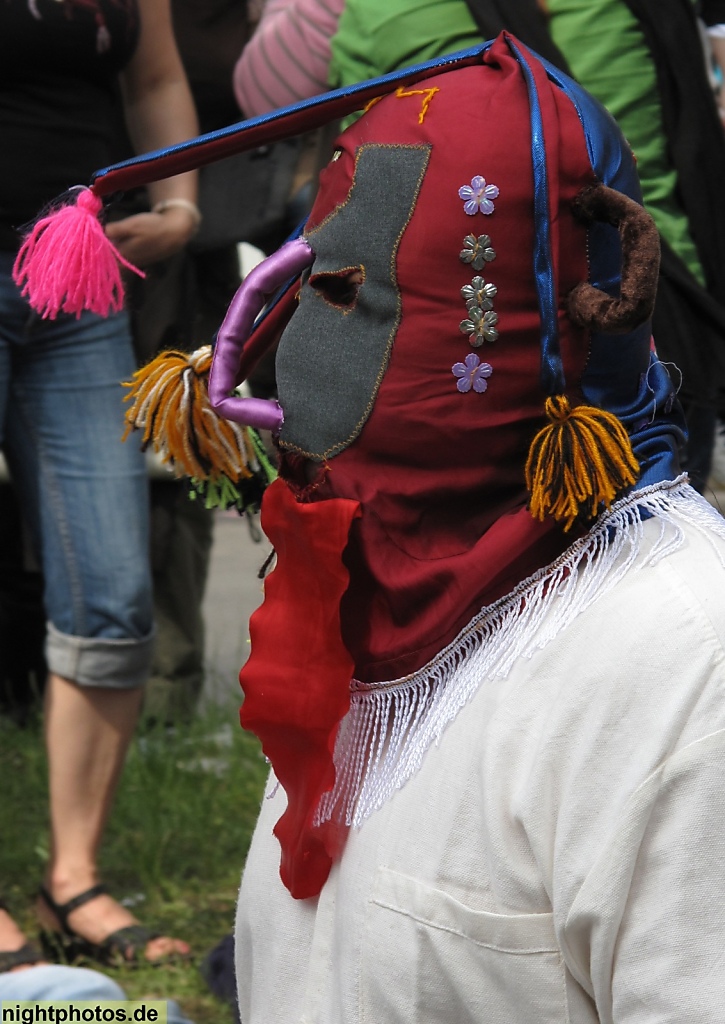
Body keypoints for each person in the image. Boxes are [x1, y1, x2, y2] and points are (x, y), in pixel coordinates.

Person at [211, 34, 725, 1022]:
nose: (303, 360)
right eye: (319, 284)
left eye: (365, 297)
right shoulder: (364, 593)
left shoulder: (685, 662)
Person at [234, 0, 725, 493]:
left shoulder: (380, 12)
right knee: (645, 539)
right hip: (650, 323)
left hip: (437, 357)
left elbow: (265, 100)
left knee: (450, 547)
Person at [0, 0, 196, 964]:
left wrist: (182, 205)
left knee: (112, 593)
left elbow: (154, 79)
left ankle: (70, 882)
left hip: (77, 280)